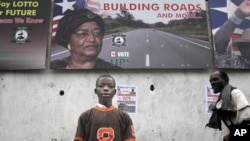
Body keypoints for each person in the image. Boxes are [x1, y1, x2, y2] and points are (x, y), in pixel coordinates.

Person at [50, 8, 121, 69]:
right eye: (82, 33)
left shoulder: (115, 71)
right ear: (68, 40)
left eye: (97, 33)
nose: (92, 39)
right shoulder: (51, 68)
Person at [74, 74, 136, 141]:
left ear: (115, 92)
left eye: (110, 86)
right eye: (101, 86)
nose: (106, 89)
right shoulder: (85, 116)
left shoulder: (124, 117)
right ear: (95, 91)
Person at [206, 70, 250, 141]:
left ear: (225, 80)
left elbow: (248, 122)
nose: (212, 83)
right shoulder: (221, 100)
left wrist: (231, 136)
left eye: (215, 79)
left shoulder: (235, 93)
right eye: (210, 81)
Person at [214, 0, 250, 68]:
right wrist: (238, 14)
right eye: (244, 46)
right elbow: (220, 41)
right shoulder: (235, 64)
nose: (244, 49)